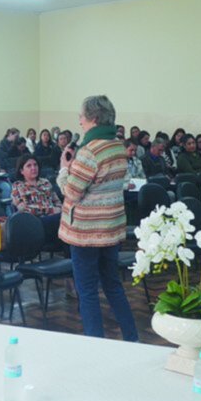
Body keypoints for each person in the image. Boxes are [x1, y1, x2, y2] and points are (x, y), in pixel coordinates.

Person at [56, 95, 137, 341]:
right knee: (113, 285)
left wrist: (63, 169)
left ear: (92, 118)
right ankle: (132, 338)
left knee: (88, 291)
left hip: (86, 233)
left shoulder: (89, 151)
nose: (79, 121)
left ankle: (95, 345)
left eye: (81, 116)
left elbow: (71, 192)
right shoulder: (117, 147)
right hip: (110, 228)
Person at [12, 154, 61, 241]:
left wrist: (58, 209)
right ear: (21, 171)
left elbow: (57, 202)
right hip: (34, 223)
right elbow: (23, 209)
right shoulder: (18, 186)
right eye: (29, 166)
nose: (33, 168)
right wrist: (51, 210)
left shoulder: (45, 182)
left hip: (52, 220)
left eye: (35, 165)